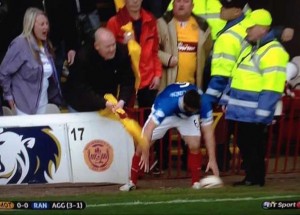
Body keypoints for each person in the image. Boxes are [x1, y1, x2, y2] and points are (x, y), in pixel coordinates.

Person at [225, 9, 289, 186]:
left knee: (254, 145)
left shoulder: (274, 51)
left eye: (250, 28)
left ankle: (256, 178)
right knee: (246, 143)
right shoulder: (252, 47)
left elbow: (272, 87)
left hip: (254, 111)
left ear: (262, 29)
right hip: (244, 110)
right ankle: (252, 177)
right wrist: (227, 100)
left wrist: (262, 115)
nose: (247, 31)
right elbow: (237, 75)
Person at [119, 82, 220, 191]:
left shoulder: (204, 102)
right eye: (193, 111)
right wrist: (145, 151)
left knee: (195, 144)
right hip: (168, 114)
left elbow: (208, 132)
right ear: (186, 106)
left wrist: (212, 159)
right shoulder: (166, 104)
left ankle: (195, 182)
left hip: (186, 114)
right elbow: (149, 128)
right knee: (141, 146)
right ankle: (131, 182)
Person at [156, 0, 213, 172]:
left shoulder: (203, 26)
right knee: (163, 125)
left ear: (192, 5)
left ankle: (188, 164)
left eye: (185, 1)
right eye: (178, 1)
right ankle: (162, 163)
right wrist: (167, 59)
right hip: (168, 86)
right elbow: (151, 50)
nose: (181, 5)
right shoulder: (162, 23)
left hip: (192, 87)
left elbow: (206, 52)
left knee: (189, 125)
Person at [0, 7, 62, 115]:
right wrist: (8, 96)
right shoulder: (20, 44)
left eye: (47, 23)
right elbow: (4, 72)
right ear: (31, 25)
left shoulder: (46, 45)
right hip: (24, 107)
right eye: (42, 24)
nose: (46, 27)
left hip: (43, 104)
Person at [62, 27, 135, 112]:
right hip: (80, 104)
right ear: (97, 46)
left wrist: (122, 100)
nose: (112, 49)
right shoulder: (83, 57)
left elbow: (128, 80)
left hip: (107, 103)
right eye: (108, 47)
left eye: (113, 44)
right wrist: (103, 102)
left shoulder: (121, 52)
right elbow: (82, 88)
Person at [106, 0, 162, 108]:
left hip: (148, 80)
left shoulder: (150, 19)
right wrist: (123, 44)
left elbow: (155, 50)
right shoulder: (114, 22)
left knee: (147, 118)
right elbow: (107, 54)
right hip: (125, 80)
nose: (135, 1)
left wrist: (157, 74)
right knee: (125, 119)